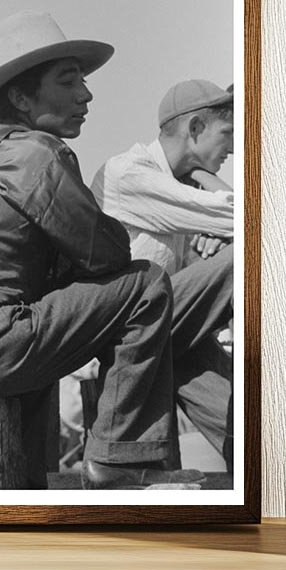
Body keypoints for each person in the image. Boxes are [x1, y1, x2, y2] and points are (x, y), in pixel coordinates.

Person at [0, 11, 205, 490]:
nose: (85, 95)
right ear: (21, 97)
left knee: (31, 306)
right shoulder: (35, 152)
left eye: (82, 82)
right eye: (68, 82)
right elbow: (107, 256)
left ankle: (33, 478)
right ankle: (120, 458)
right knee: (145, 284)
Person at [91, 78, 236, 468]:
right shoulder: (128, 173)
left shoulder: (177, 185)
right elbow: (243, 216)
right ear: (194, 129)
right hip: (125, 328)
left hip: (164, 327)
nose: (234, 148)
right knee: (245, 257)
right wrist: (208, 184)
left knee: (241, 425)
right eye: (227, 133)